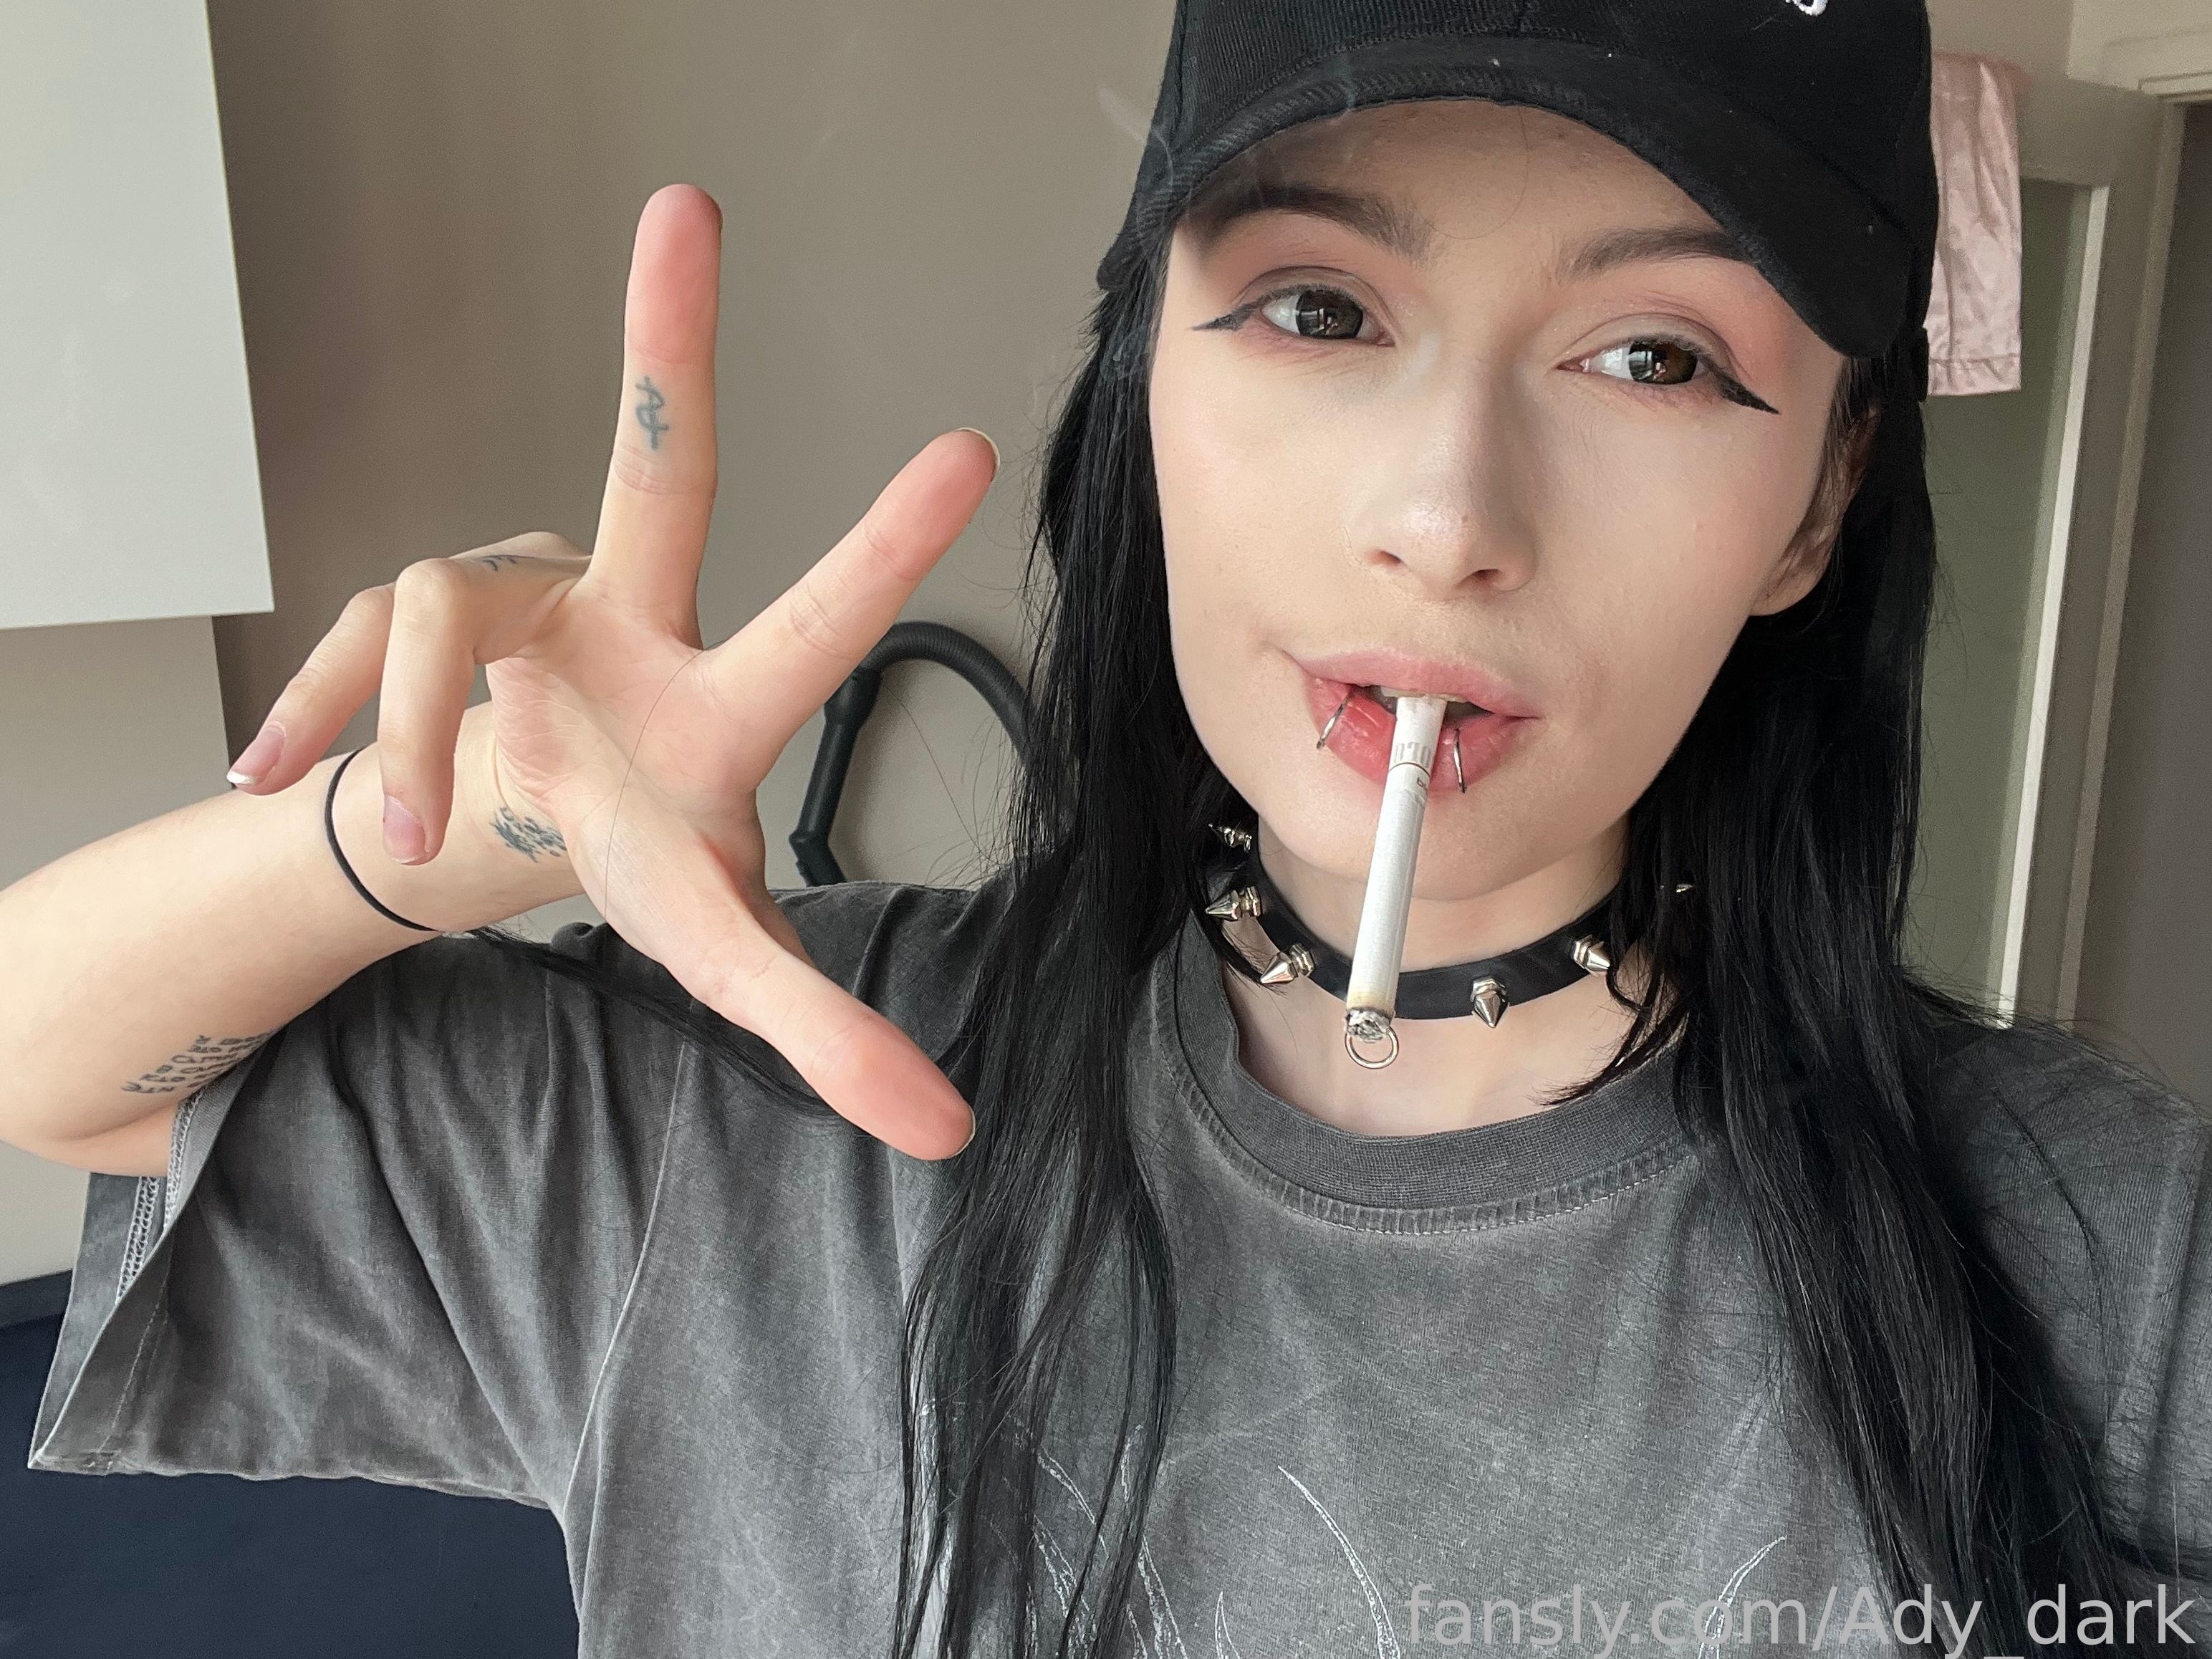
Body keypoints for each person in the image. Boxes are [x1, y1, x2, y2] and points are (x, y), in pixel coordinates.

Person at [4, 1, 2206, 1654]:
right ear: (1149, 368)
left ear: (1821, 496)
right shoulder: (749, 1115)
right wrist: (447, 824)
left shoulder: (2122, 1256)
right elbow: (49, 1067)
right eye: (1321, 306)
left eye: (1655, 358)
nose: (1448, 514)